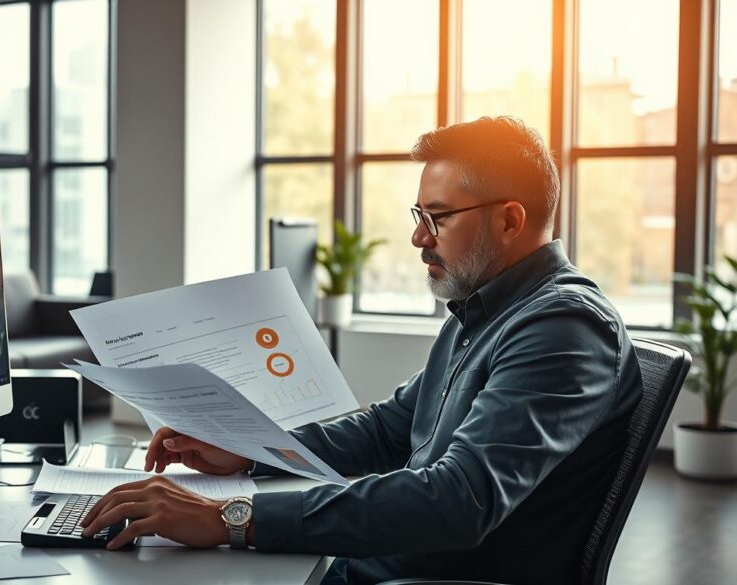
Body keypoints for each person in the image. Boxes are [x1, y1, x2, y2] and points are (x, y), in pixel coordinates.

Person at [80, 117, 642, 585]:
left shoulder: (563, 328)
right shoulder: (486, 310)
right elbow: (388, 432)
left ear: (510, 220)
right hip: (377, 564)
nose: (420, 237)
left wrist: (231, 516)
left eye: (437, 217)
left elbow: (458, 499)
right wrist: (252, 453)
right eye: (418, 216)